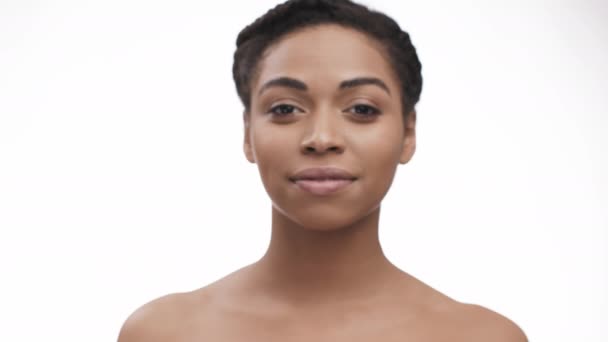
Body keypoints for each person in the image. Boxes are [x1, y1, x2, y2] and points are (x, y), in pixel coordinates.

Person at [118, 0, 528, 340]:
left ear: (407, 133)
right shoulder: (163, 332)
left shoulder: (482, 337)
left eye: (362, 109)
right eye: (285, 109)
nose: (321, 137)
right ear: (248, 134)